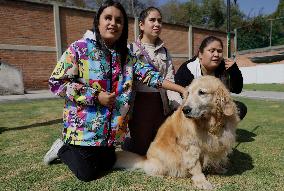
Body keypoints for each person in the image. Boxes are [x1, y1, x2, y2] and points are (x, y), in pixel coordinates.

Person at [43, 0, 187, 182]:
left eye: (119, 20)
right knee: (87, 173)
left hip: (109, 133)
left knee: (109, 161)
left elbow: (152, 76)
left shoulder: (127, 56)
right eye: (108, 18)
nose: (113, 23)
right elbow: (56, 82)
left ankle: (90, 152)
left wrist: (180, 89)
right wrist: (95, 96)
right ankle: (62, 148)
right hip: (83, 130)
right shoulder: (79, 48)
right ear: (98, 22)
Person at [122, 7, 181, 155]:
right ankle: (128, 141)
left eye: (160, 21)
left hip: (160, 105)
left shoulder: (165, 52)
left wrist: (177, 105)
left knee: (162, 147)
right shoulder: (130, 49)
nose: (157, 24)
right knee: (142, 150)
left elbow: (169, 80)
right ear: (141, 25)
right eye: (152, 20)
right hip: (140, 106)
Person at [174, 35, 247, 120]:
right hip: (190, 105)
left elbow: (237, 90)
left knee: (240, 108)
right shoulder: (188, 68)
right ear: (200, 54)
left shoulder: (225, 66)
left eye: (219, 51)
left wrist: (235, 71)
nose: (216, 54)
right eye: (211, 51)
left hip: (212, 106)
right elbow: (180, 95)